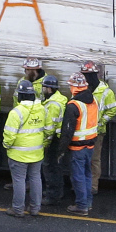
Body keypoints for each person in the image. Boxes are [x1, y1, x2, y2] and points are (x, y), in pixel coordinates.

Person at [2, 81, 49, 217]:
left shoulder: (16, 112)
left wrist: (6, 146)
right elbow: (46, 129)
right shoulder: (42, 109)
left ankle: (17, 209)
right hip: (37, 152)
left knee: (19, 180)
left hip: (19, 153)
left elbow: (9, 135)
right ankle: (35, 208)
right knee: (36, 179)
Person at [61, 71, 101, 216]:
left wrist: (61, 150)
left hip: (77, 147)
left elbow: (67, 131)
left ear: (74, 87)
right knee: (87, 174)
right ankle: (88, 202)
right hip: (90, 144)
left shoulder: (74, 105)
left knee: (77, 176)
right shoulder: (94, 100)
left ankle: (81, 205)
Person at [82, 61, 116, 195]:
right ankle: (82, 184)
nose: (85, 78)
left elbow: (112, 110)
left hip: (97, 132)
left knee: (94, 159)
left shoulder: (106, 92)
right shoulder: (84, 89)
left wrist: (101, 122)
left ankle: (92, 186)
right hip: (83, 131)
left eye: (87, 75)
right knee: (83, 159)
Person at [39, 73, 68, 205]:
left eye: (44, 87)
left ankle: (52, 195)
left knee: (49, 167)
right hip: (59, 137)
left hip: (54, 140)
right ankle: (57, 192)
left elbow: (49, 127)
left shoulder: (52, 105)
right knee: (56, 167)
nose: (42, 89)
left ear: (49, 89)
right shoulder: (61, 99)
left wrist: (45, 143)